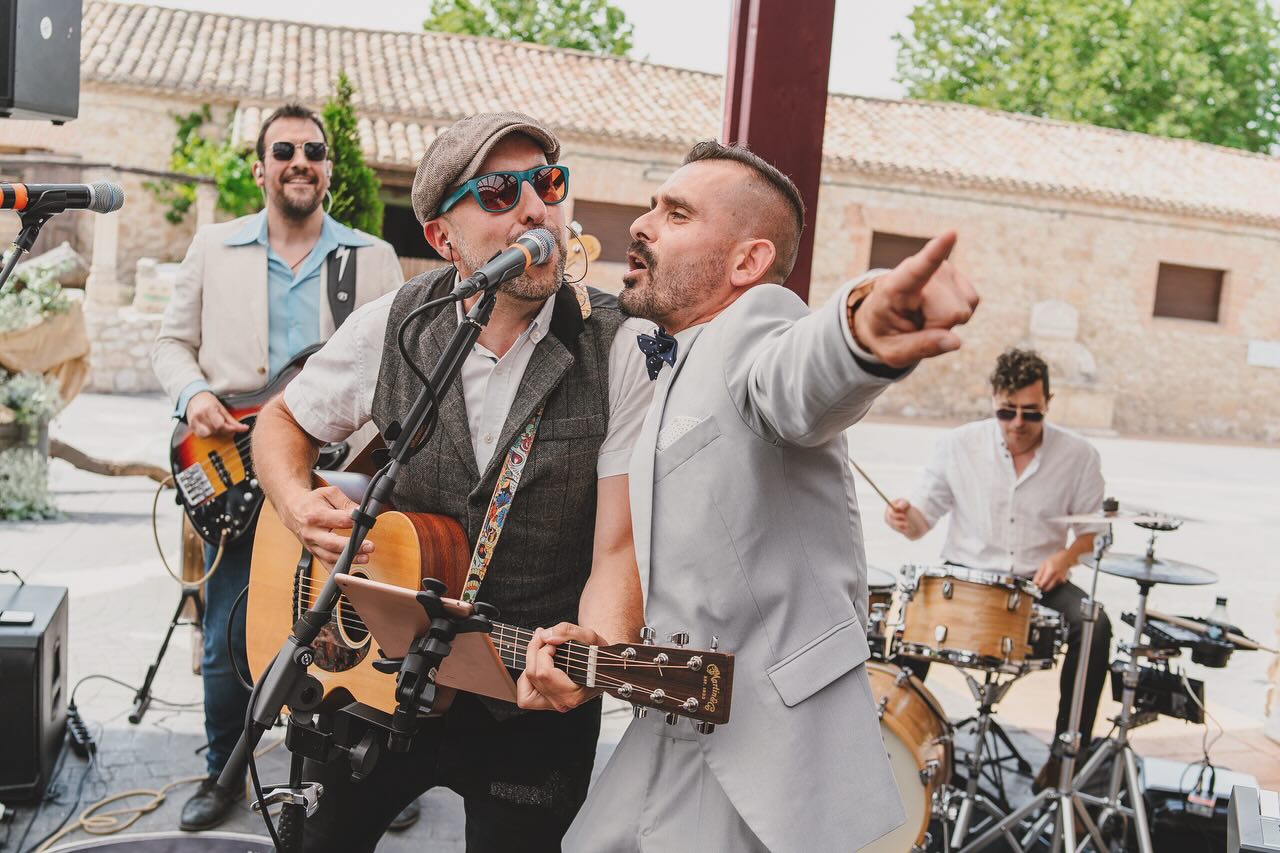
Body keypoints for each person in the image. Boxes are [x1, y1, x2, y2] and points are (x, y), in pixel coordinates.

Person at [520, 140, 980, 852]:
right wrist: (597, 652)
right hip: (666, 733)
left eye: (675, 214)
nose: (642, 224)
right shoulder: (664, 370)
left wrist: (860, 330)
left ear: (747, 263)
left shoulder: (755, 326)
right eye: (653, 206)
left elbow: (798, 377)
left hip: (766, 758)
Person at [248, 111, 652, 852]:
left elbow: (618, 548)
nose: (538, 210)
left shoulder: (616, 343)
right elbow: (282, 422)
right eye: (499, 192)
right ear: (443, 238)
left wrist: (597, 650)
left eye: (548, 184)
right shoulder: (399, 321)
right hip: (374, 676)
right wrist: (297, 503)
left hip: (529, 704)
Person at [151, 103, 403, 832]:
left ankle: (361, 776)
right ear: (259, 168)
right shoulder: (213, 244)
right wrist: (194, 392)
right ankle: (222, 770)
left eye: (314, 150)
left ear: (329, 169)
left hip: (332, 479)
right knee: (231, 624)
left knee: (345, 628)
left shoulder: (371, 259)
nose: (300, 160)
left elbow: (394, 372)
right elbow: (171, 343)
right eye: (283, 149)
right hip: (231, 469)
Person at [884, 347, 1111, 791]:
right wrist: (903, 517)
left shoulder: (1080, 455)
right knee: (912, 619)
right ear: (993, 400)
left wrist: (1064, 559)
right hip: (966, 576)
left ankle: (1066, 756)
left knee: (1096, 624)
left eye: (1031, 413)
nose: (1018, 424)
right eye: (1007, 412)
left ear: (1049, 402)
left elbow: (1094, 532)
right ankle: (895, 742)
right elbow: (921, 521)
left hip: (1039, 582)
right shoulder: (957, 445)